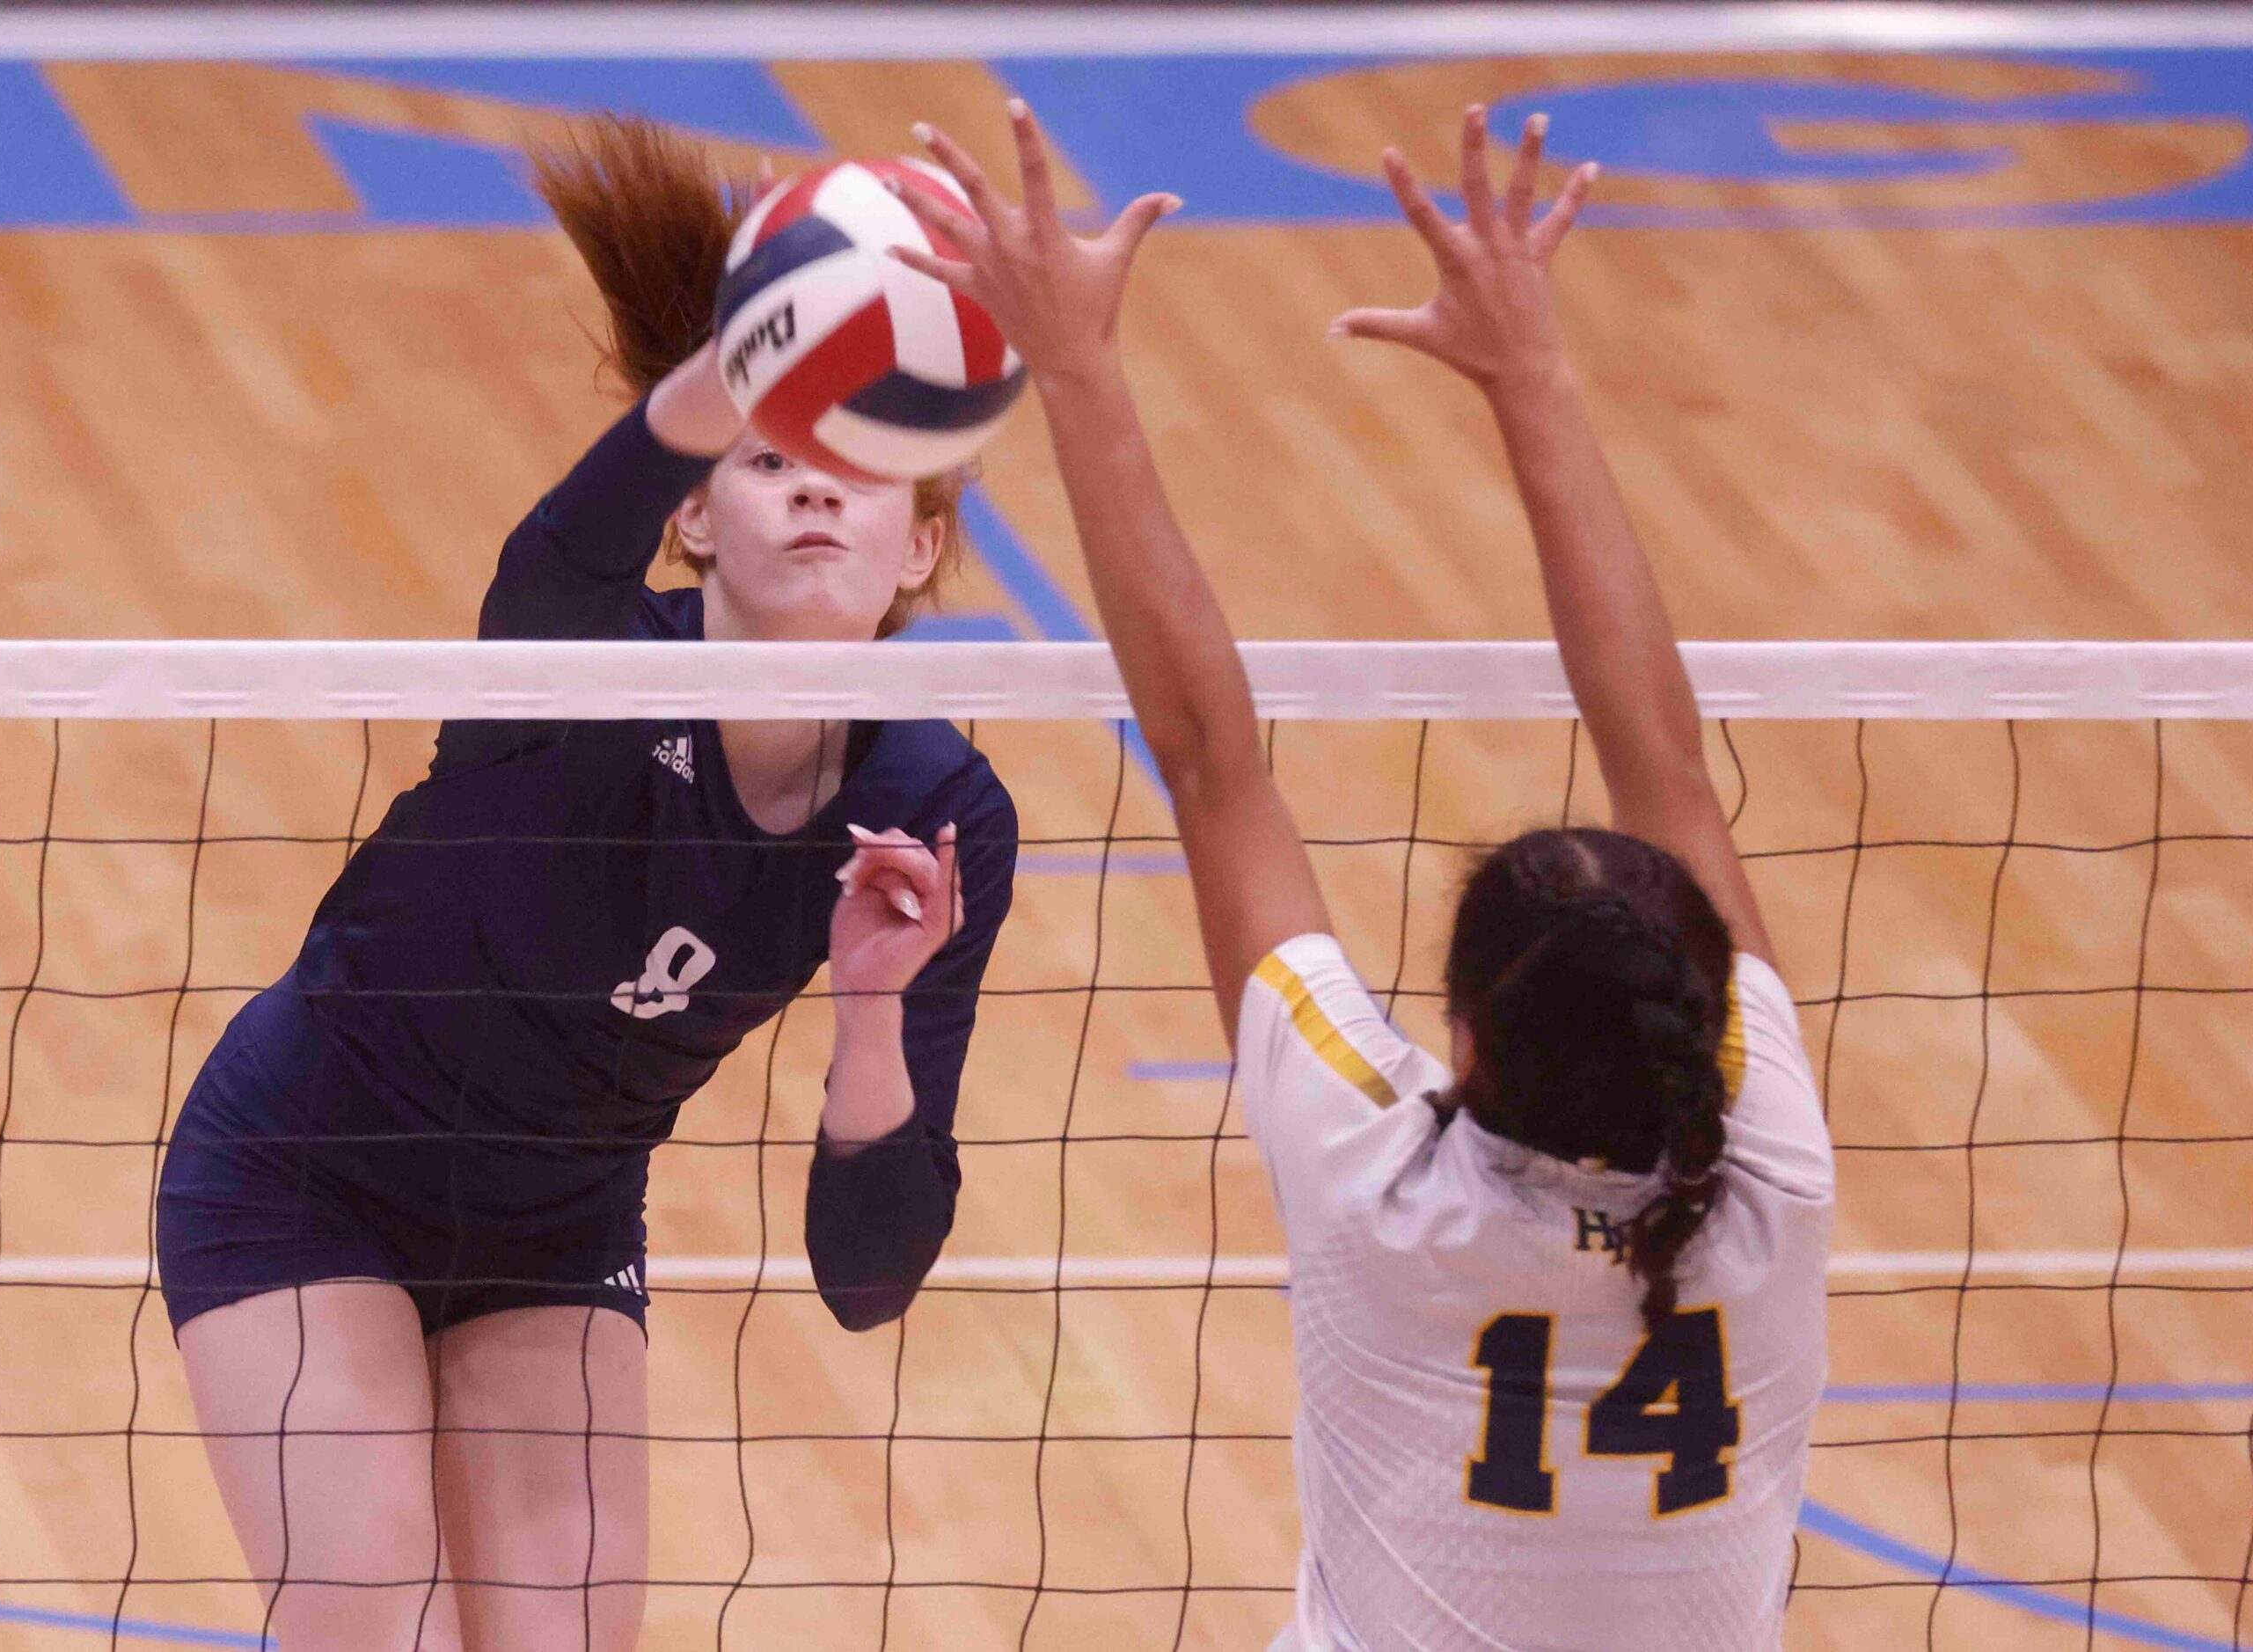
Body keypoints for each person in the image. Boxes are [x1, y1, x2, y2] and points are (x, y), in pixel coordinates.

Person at [888, 102, 1831, 1650]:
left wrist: (1073, 364)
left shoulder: (1384, 1194)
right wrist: (1537, 375)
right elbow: (1666, 757)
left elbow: (1207, 751)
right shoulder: (1775, 1176)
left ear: (1460, 1042)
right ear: (1707, 1017)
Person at [154, 116, 1019, 1652]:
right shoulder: (571, 663)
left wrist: (872, 1010)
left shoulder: (934, 810)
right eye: (767, 457)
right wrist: (742, 359)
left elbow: (868, 1278)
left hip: (552, 1227)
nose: (815, 491)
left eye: (858, 474)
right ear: (694, 515)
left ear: (920, 544)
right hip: (303, 1170)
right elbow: (563, 537)